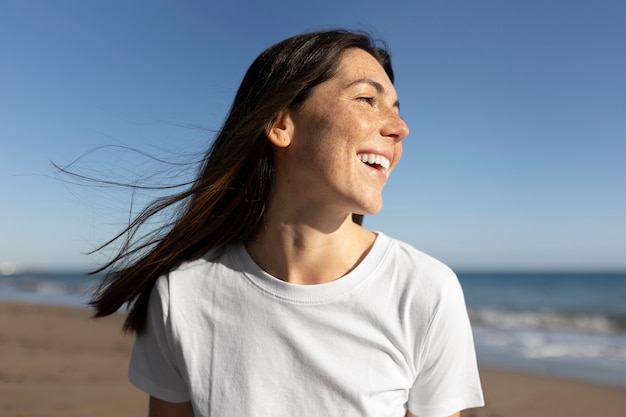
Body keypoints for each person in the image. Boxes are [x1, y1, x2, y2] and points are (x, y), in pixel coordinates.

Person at [90, 29, 484, 417]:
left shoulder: (425, 292)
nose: (400, 129)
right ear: (280, 124)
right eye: (367, 99)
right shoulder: (181, 295)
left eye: (397, 111)